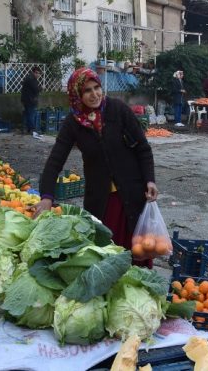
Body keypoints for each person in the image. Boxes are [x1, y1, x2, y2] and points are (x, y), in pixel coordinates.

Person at [35, 67, 159, 266]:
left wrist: (150, 179)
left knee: (137, 257)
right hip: (101, 200)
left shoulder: (118, 110)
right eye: (87, 91)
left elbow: (143, 148)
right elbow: (55, 161)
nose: (94, 94)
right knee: (106, 257)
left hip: (132, 194)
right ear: (77, 95)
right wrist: (47, 197)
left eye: (97, 87)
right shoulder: (73, 123)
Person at [21, 66, 43, 139]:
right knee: (31, 114)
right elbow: (36, 89)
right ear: (35, 72)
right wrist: (41, 88)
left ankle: (26, 129)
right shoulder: (31, 79)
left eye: (39, 74)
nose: (39, 75)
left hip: (26, 99)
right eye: (38, 73)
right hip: (30, 100)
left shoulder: (29, 78)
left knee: (27, 114)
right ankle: (33, 129)